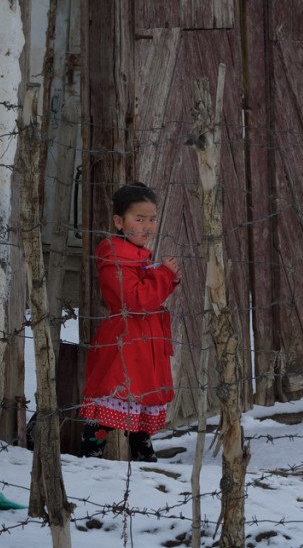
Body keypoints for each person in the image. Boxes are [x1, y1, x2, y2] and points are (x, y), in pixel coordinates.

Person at [79, 182, 180, 462]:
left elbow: (146, 297)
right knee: (119, 393)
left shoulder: (137, 255)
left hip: (145, 338)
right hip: (125, 339)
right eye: (139, 219)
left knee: (143, 398)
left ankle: (143, 454)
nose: (147, 226)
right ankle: (89, 455)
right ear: (119, 222)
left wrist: (162, 276)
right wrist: (163, 276)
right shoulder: (113, 254)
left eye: (152, 219)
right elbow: (135, 300)